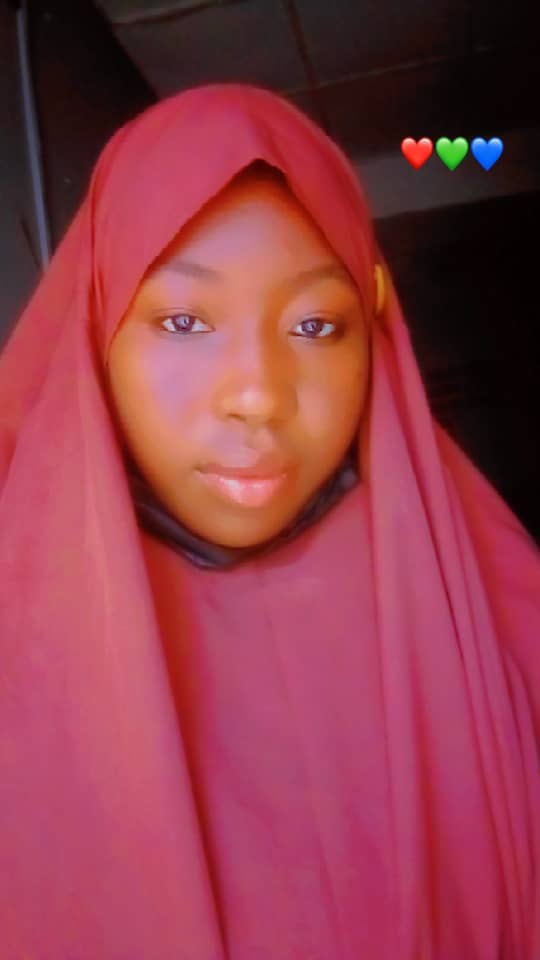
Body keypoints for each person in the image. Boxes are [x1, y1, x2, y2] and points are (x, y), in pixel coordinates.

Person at [0, 83, 539, 960]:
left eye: (317, 325)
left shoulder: (503, 613)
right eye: (183, 320)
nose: (257, 395)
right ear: (97, 334)